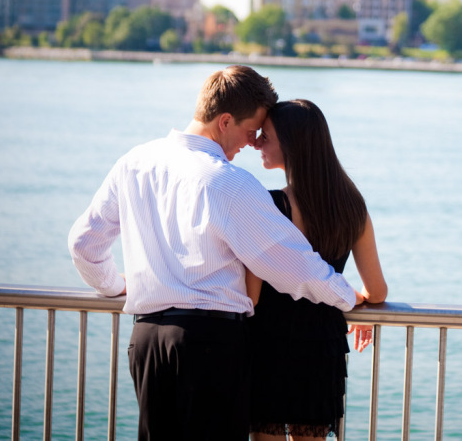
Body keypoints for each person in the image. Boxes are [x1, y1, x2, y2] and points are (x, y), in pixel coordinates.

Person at [67, 66, 358, 441]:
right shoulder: (230, 182)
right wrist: (347, 297)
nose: (251, 144)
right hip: (211, 345)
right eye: (250, 131)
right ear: (224, 122)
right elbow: (292, 265)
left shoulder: (134, 163)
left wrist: (115, 286)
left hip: (146, 339)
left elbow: (83, 245)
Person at [246, 99, 387, 441]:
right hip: (322, 345)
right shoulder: (352, 207)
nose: (256, 143)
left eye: (266, 136)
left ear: (292, 144)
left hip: (269, 342)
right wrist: (353, 299)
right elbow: (378, 292)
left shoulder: (272, 205)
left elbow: (252, 294)